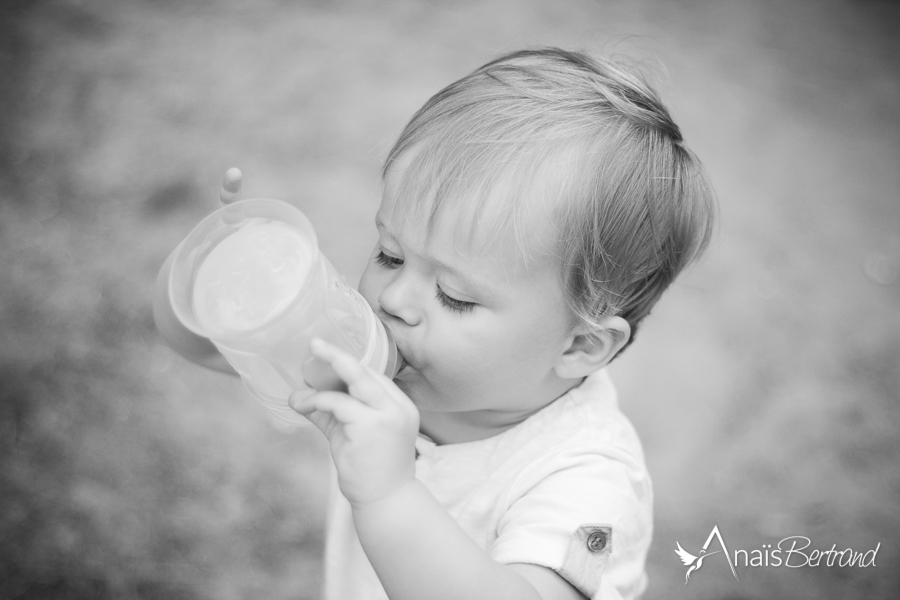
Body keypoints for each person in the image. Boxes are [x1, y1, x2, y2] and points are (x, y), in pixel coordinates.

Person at [154, 47, 715, 600]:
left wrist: (391, 496)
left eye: (454, 295)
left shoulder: (589, 481)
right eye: (390, 254)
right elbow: (205, 348)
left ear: (581, 345)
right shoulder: (382, 360)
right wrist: (217, 283)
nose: (394, 298)